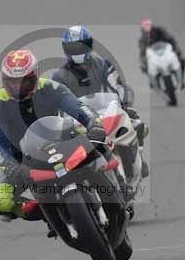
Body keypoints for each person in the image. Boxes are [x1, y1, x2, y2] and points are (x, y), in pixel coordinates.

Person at [0, 49, 109, 226]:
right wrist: (10, 166)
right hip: (25, 161)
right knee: (0, 202)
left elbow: (80, 109)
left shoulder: (51, 88)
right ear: (4, 80)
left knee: (99, 144)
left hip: (61, 144)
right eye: (12, 82)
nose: (17, 87)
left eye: (24, 81)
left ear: (35, 76)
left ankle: (117, 190)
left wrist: (94, 125)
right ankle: (48, 214)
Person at [53, 25, 149, 178]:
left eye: (81, 46)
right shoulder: (59, 76)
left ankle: (140, 156)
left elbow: (119, 86)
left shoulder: (104, 65)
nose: (77, 50)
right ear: (66, 49)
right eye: (73, 48)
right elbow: (58, 101)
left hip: (107, 110)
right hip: (81, 119)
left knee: (136, 121)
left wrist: (125, 101)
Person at [139, 19, 185, 88]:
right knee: (145, 67)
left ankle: (181, 79)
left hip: (166, 52)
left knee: (182, 61)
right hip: (154, 57)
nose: (149, 33)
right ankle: (152, 81)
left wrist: (177, 51)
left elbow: (172, 41)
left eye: (150, 30)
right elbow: (142, 52)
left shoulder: (161, 32)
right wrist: (144, 62)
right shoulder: (142, 40)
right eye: (146, 31)